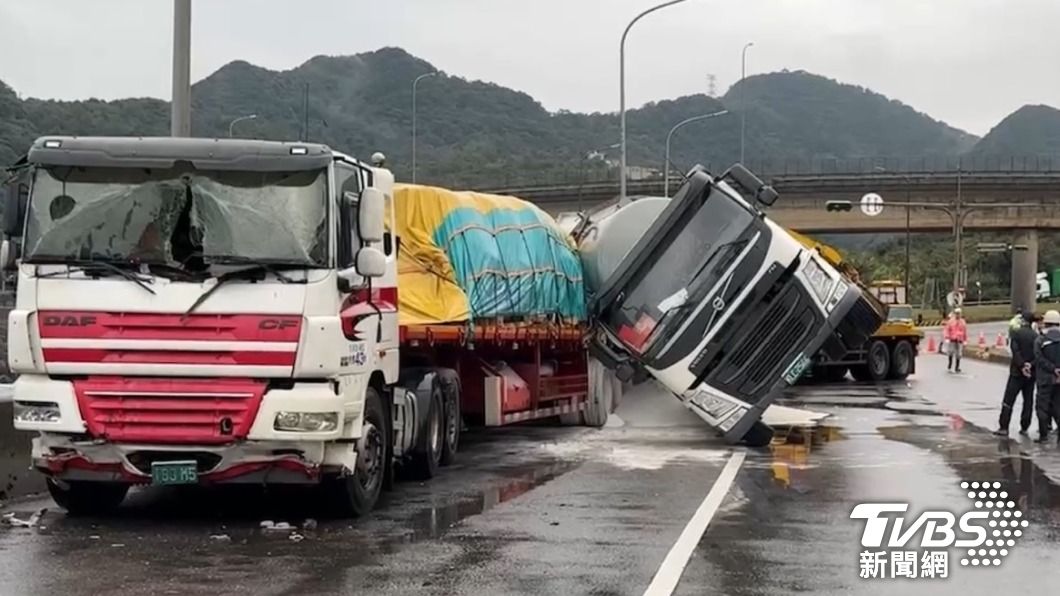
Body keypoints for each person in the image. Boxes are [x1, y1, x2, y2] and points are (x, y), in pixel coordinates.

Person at [994, 310, 1036, 437]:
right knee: (1028, 400)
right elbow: (1038, 354)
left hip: (1016, 373)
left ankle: (1004, 427)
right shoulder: (1036, 336)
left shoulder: (1016, 334)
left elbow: (1015, 351)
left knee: (1009, 400)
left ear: (1022, 321)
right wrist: (1030, 365)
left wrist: (1022, 365)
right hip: (1031, 374)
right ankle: (1024, 426)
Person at [1033, 310, 1060, 444]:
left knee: (1042, 407)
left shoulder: (1041, 339)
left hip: (1045, 379)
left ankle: (1043, 435)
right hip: (1058, 379)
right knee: (1057, 407)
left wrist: (1052, 369)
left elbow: (1039, 358)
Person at [943, 308, 968, 372]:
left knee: (958, 354)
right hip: (952, 339)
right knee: (950, 352)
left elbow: (965, 331)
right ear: (955, 314)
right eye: (956, 313)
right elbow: (947, 330)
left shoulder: (962, 322)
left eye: (959, 313)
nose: (958, 315)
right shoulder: (951, 321)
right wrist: (947, 337)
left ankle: (957, 367)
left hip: (959, 340)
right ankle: (950, 364)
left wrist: (965, 340)